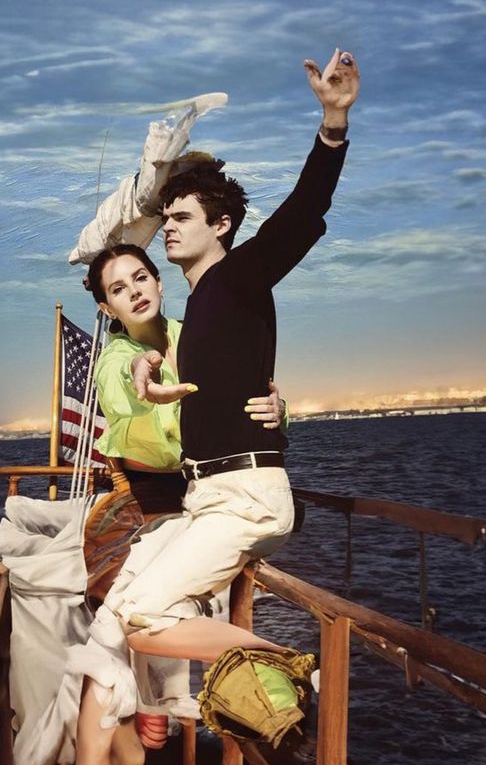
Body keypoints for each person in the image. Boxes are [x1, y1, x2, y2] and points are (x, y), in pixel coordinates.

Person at [76, 48, 359, 762]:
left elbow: (303, 213)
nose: (166, 227)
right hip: (211, 497)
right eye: (164, 217)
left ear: (222, 224)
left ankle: (292, 666)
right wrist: (152, 370)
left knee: (143, 614)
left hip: (244, 498)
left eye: (181, 217)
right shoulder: (197, 312)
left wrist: (332, 124)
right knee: (114, 614)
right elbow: (195, 385)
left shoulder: (236, 278)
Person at [82, 243, 285, 753]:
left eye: (141, 278)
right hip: (139, 509)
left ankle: (158, 710)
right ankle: (120, 737)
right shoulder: (117, 358)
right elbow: (122, 387)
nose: (135, 292)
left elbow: (243, 401)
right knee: (110, 636)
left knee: (135, 622)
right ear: (108, 308)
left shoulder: (191, 334)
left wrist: (279, 408)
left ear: (158, 281)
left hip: (201, 498)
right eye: (118, 290)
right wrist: (142, 383)